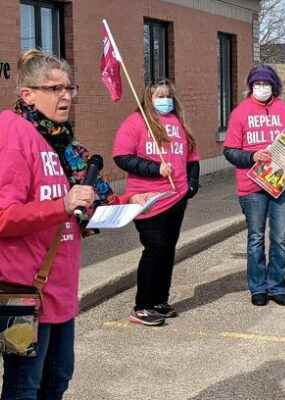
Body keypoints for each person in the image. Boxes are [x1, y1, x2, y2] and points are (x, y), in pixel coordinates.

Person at [0, 49, 150, 399]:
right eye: (55, 89)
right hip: (24, 291)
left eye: (70, 88)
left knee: (57, 380)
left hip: (58, 289)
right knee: (24, 387)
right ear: (27, 94)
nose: (66, 97)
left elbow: (84, 199)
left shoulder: (60, 141)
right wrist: (61, 206)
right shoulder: (9, 136)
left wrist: (124, 203)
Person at [113, 79, 200, 327]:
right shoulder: (136, 122)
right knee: (155, 249)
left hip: (177, 197)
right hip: (148, 198)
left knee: (168, 249)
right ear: (148, 98)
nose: (165, 100)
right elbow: (122, 157)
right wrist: (154, 169)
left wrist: (192, 184)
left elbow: (192, 157)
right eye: (159, 96)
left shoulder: (178, 123)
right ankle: (142, 306)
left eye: (168, 95)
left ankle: (159, 300)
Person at [224, 65, 285, 306]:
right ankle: (257, 288)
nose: (262, 88)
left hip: (281, 185)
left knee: (280, 239)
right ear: (251, 86)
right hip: (252, 186)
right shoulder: (240, 113)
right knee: (256, 238)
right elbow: (230, 151)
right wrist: (252, 156)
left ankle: (276, 286)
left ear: (274, 86)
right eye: (257, 84)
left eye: (266, 84)